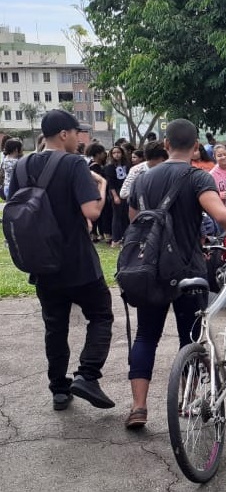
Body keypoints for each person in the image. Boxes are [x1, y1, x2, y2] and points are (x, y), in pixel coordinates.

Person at [125, 119, 226, 429]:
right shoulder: (196, 177)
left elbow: (136, 224)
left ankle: (138, 407)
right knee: (190, 339)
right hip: (186, 271)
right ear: (196, 147)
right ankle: (187, 401)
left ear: (166, 145)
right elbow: (221, 215)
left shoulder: (141, 179)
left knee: (145, 336)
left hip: (147, 270)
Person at [8, 110, 113, 412]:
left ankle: (59, 389)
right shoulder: (73, 164)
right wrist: (102, 188)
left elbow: (16, 204)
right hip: (77, 260)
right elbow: (92, 212)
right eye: (77, 133)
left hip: (41, 261)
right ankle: (88, 375)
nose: (81, 139)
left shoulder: (22, 164)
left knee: (55, 326)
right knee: (101, 314)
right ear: (64, 134)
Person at [104, 145, 130, 246]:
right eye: (114, 153)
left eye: (118, 152)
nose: (116, 155)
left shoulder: (127, 165)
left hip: (126, 191)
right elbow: (111, 184)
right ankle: (115, 238)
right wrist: (115, 196)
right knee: (117, 216)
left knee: (125, 216)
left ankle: (125, 237)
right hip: (116, 192)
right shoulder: (110, 167)